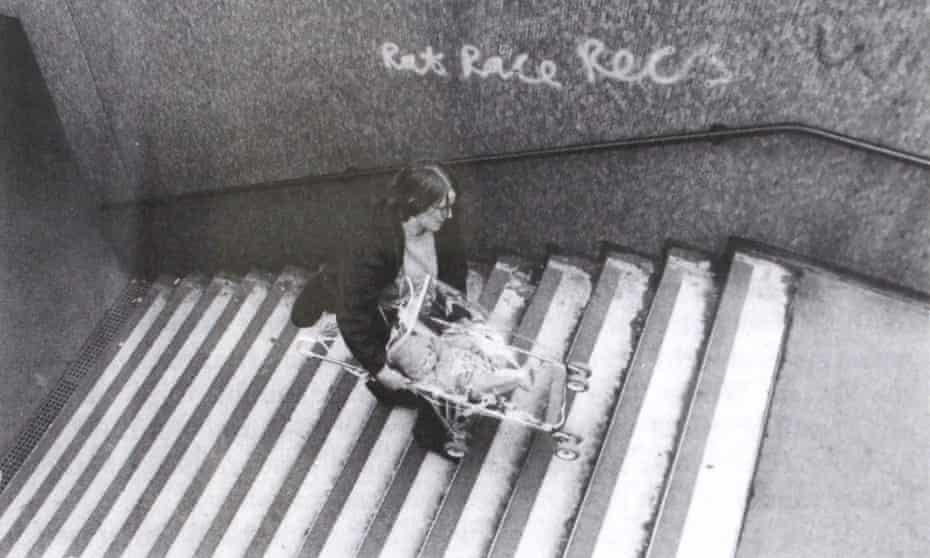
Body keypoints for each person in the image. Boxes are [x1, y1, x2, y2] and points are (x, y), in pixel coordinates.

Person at [292, 163, 468, 457]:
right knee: (426, 362)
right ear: (415, 205)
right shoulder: (372, 243)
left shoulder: (442, 226)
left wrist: (457, 315)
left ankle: (392, 391)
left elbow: (455, 272)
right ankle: (432, 433)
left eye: (450, 206)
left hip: (414, 297)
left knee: (447, 343)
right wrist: (380, 368)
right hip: (376, 301)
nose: (449, 215)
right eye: (441, 208)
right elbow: (355, 313)